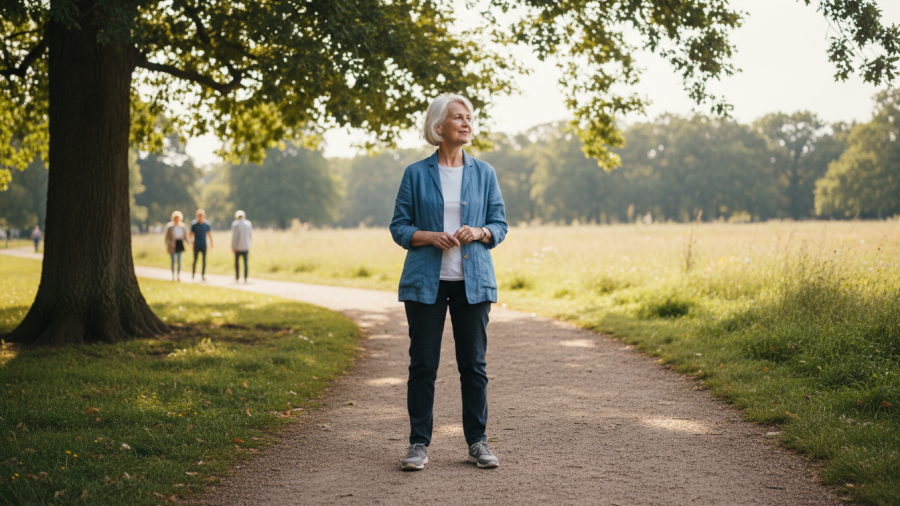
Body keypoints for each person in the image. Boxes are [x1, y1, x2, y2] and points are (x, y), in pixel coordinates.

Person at [389, 93, 508, 471]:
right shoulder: (415, 173)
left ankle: (477, 442)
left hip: (473, 282)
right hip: (426, 282)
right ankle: (418, 444)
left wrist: (479, 231)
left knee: (473, 365)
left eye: (469, 117)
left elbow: (500, 225)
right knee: (423, 365)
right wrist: (428, 236)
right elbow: (399, 227)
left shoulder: (485, 173)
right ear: (438, 126)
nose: (466, 122)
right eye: (458, 117)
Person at [164, 211, 190, 282]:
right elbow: (167, 238)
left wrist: (188, 243)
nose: (176, 220)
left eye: (178, 218)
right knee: (173, 261)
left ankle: (178, 276)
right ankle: (173, 276)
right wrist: (168, 247)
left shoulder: (182, 226)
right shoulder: (170, 227)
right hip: (172, 245)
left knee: (179, 261)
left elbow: (185, 236)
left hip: (180, 244)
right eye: (175, 218)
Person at [190, 209, 213, 281]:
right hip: (196, 245)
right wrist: (191, 243)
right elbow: (191, 234)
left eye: (201, 215)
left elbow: (209, 234)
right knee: (195, 260)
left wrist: (211, 243)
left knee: (204, 261)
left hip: (204, 245)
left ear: (204, 216)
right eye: (199, 215)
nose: (200, 216)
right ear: (197, 216)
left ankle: (203, 275)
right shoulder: (194, 224)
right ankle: (193, 274)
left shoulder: (207, 224)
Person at [231, 210, 252, 282]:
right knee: (245, 262)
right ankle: (245, 277)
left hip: (238, 247)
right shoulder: (248, 224)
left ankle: (237, 276)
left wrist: (233, 246)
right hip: (246, 246)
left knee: (237, 263)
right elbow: (250, 236)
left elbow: (234, 237)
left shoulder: (236, 224)